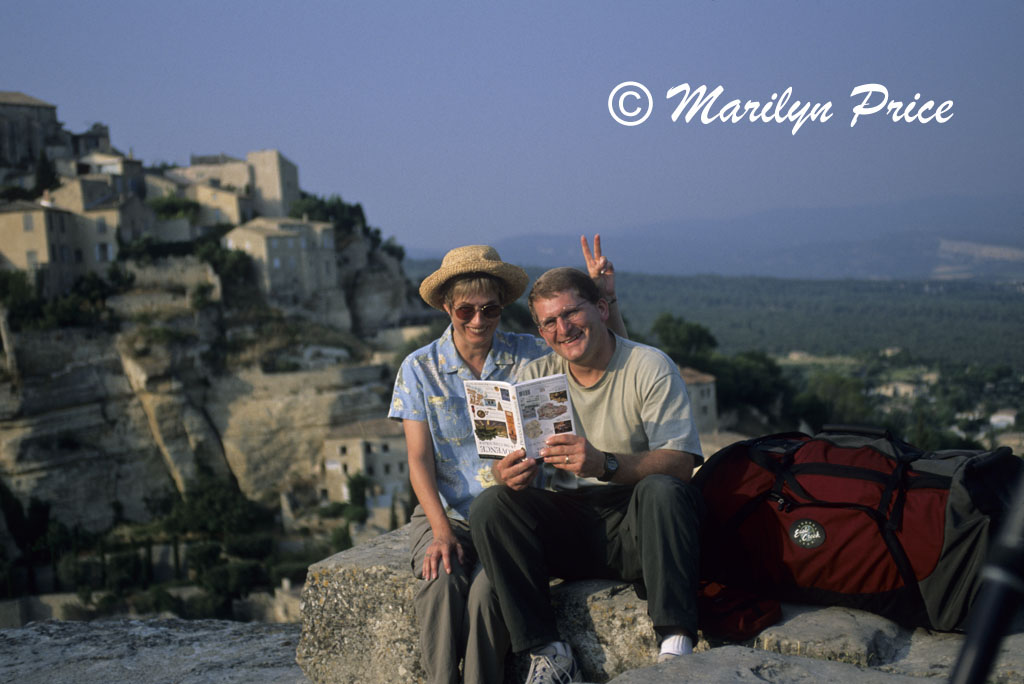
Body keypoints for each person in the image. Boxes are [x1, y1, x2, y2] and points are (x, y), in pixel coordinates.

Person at [389, 239, 625, 684]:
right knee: (439, 583)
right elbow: (417, 459)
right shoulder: (419, 369)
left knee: (485, 595)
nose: (479, 320)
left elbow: (608, 359)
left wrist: (603, 301)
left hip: (513, 515)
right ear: (446, 307)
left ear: (501, 309)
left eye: (490, 310)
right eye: (466, 310)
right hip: (451, 512)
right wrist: (440, 531)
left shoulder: (532, 355)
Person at [469, 266, 705, 684]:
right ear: (541, 333)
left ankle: (676, 646)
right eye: (550, 322)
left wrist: (606, 464)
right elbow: (507, 463)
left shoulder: (649, 366)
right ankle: (548, 654)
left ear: (600, 309)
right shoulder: (536, 377)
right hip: (572, 522)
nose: (563, 328)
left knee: (662, 491)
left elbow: (681, 462)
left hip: (638, 520)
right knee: (492, 504)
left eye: (571, 313)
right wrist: (509, 473)